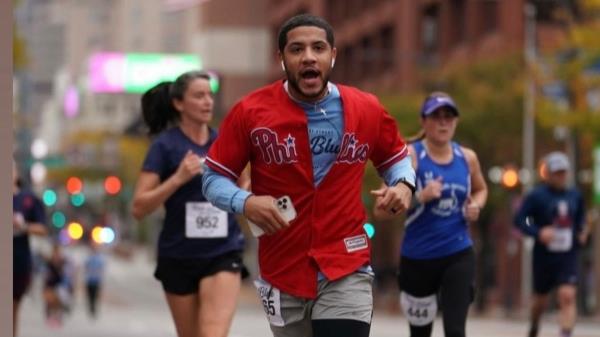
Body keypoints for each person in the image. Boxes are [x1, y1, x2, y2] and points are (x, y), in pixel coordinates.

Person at [202, 14, 415, 337]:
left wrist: (402, 186)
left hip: (346, 261)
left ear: (333, 54)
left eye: (318, 48)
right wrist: (246, 203)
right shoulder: (250, 112)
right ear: (281, 59)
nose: (309, 57)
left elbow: (396, 159)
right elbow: (213, 178)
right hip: (282, 268)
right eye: (297, 49)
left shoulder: (366, 108)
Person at [131, 70, 248, 337]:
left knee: (213, 333)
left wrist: (246, 191)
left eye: (210, 95)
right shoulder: (164, 147)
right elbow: (139, 207)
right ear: (179, 103)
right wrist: (178, 179)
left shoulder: (225, 141)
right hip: (178, 254)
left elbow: (245, 187)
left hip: (223, 249)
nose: (208, 101)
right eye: (199, 95)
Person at [374, 92, 487, 337]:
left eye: (449, 117)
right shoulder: (411, 157)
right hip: (418, 258)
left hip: (458, 253)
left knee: (456, 330)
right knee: (420, 333)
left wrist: (476, 206)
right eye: (436, 117)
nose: (443, 122)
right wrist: (418, 197)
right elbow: (380, 211)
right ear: (424, 121)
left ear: (456, 122)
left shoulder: (467, 158)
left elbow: (481, 189)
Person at [514, 151, 587, 337]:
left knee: (567, 296)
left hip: (567, 254)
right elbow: (520, 220)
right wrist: (538, 232)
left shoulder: (575, 195)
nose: (561, 176)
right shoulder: (536, 196)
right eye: (557, 173)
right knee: (541, 301)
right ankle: (534, 325)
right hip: (544, 255)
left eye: (564, 172)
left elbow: (581, 219)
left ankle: (565, 333)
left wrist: (582, 232)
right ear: (548, 174)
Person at [13, 160, 47, 336]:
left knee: (11, 310)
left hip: (17, 261)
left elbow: (42, 228)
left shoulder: (28, 199)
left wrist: (22, 226)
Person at [84, 243, 106, 319]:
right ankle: (91, 307)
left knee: (95, 295)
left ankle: (94, 308)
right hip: (89, 279)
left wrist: (101, 279)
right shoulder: (88, 258)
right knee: (90, 295)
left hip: (96, 280)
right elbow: (86, 267)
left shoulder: (99, 258)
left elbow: (101, 269)